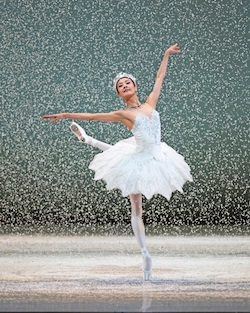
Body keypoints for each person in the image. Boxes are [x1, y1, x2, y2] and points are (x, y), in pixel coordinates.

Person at [43, 44, 193, 281]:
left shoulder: (150, 103)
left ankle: (88, 140)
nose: (124, 86)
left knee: (120, 152)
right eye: (120, 86)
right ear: (119, 94)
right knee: (136, 207)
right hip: (140, 161)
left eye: (127, 83)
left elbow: (159, 77)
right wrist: (64, 115)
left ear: (135, 86)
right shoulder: (124, 114)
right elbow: (93, 116)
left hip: (156, 155)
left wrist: (165, 54)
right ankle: (144, 253)